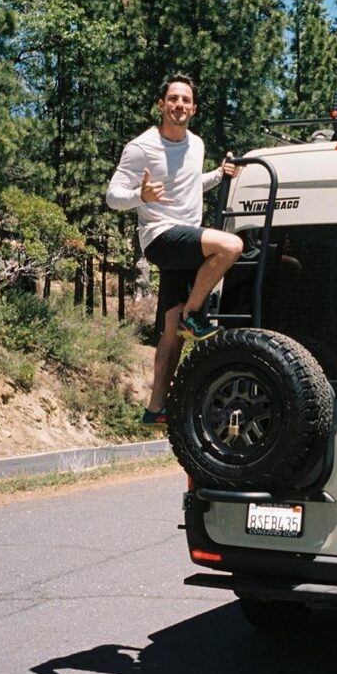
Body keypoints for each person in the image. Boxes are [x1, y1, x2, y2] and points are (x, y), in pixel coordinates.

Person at [106, 74, 243, 429]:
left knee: (170, 334)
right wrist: (141, 196)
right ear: (161, 104)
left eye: (186, 100)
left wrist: (219, 174)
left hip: (186, 240)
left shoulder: (195, 145)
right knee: (231, 245)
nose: (179, 105)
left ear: (193, 108)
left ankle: (155, 408)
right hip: (160, 237)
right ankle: (193, 316)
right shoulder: (141, 147)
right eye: (173, 99)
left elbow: (188, 183)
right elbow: (112, 196)